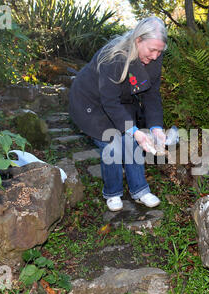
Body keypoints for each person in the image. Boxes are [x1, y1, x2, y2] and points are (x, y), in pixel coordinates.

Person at [69, 16, 167, 212]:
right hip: (91, 103)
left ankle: (140, 190)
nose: (156, 56)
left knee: (131, 142)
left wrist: (156, 128)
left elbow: (151, 95)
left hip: (120, 101)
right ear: (138, 40)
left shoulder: (154, 57)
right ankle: (113, 193)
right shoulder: (114, 56)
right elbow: (109, 102)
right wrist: (135, 131)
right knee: (112, 143)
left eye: (160, 51)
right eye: (152, 50)